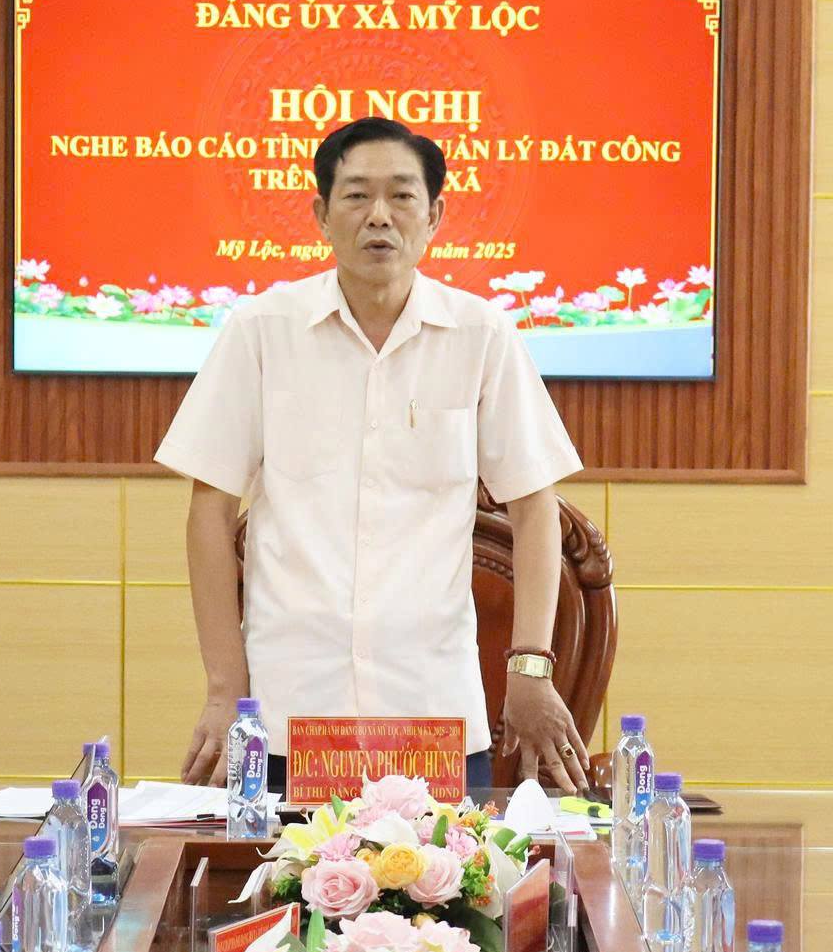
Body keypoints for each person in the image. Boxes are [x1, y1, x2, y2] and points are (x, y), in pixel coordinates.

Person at [156, 116, 588, 796]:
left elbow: (535, 508)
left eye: (402, 196)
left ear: (435, 215)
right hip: (289, 712)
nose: (379, 216)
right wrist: (224, 689)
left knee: (448, 870)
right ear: (321, 216)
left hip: (432, 709)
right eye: (357, 196)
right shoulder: (261, 331)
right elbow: (209, 512)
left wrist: (530, 666)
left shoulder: (480, 335)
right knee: (286, 871)